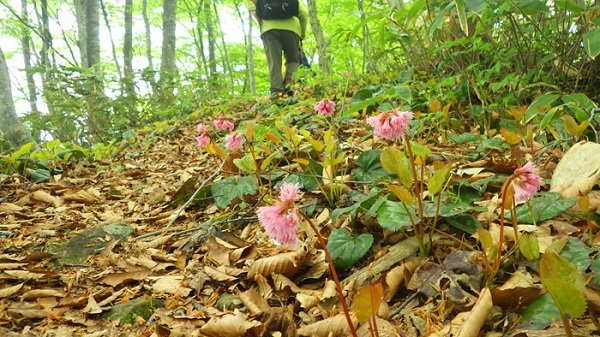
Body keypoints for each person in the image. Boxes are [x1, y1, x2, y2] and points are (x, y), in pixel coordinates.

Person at [244, 0, 308, 98]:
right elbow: (303, 12)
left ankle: (276, 93)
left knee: (274, 62)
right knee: (293, 60)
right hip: (292, 30)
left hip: (269, 29)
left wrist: (253, 10)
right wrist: (302, 35)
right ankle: (289, 88)